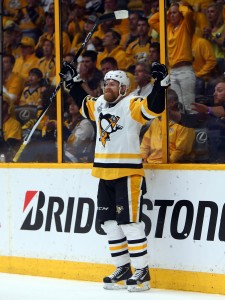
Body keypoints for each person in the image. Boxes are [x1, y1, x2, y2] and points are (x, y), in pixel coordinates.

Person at [59, 61, 170, 292]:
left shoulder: (131, 104)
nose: (108, 86)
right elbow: (83, 101)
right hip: (103, 173)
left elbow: (155, 108)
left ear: (123, 88)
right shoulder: (100, 103)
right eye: (106, 83)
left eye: (113, 84)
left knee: (130, 224)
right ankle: (123, 268)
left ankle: (142, 273)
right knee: (109, 224)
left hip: (127, 173)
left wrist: (160, 85)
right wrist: (72, 83)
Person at [149, 2, 196, 112]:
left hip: (185, 70)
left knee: (189, 106)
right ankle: (181, 129)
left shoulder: (186, 26)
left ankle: (191, 129)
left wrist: (180, 6)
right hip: (173, 72)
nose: (172, 15)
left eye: (175, 13)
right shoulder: (167, 28)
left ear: (180, 13)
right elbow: (151, 21)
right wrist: (166, 11)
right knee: (177, 107)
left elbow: (188, 14)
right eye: (170, 13)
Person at [169, 76, 225, 163]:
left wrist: (208, 109)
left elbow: (222, 111)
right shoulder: (207, 112)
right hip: (212, 161)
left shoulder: (209, 110)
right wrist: (168, 112)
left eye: (220, 90)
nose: (214, 93)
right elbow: (189, 120)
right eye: (214, 90)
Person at [141, 89, 195, 163]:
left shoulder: (185, 123)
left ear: (171, 103)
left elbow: (181, 150)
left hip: (173, 166)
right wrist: (143, 158)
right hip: (151, 164)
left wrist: (166, 165)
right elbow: (145, 143)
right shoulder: (156, 121)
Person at [64, 98, 96, 163]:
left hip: (80, 160)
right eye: (70, 103)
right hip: (67, 156)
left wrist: (62, 129)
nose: (72, 106)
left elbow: (74, 144)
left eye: (75, 104)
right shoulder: (67, 122)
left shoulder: (86, 124)